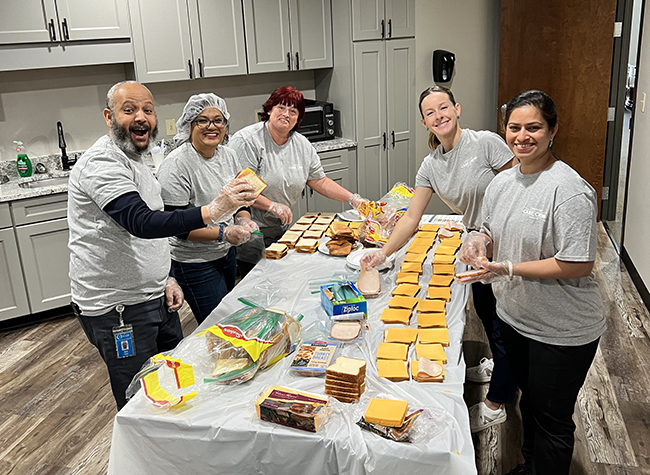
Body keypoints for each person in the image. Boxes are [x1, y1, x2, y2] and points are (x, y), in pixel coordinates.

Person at [67, 81, 256, 409]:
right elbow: (141, 222)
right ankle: (143, 457)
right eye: (129, 110)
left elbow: (154, 228)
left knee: (173, 381)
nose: (141, 118)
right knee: (140, 398)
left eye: (148, 110)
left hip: (155, 296)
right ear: (109, 117)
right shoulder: (101, 163)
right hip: (118, 308)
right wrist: (213, 213)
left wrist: (166, 277)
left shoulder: (139, 159)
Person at [457, 90, 605, 475]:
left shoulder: (568, 190)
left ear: (553, 130)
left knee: (552, 419)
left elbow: (577, 264)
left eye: (534, 127)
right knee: (528, 405)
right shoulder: (502, 183)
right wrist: (478, 240)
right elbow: (486, 227)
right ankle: (530, 466)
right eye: (514, 127)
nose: (522, 136)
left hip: (560, 330)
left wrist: (506, 268)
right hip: (516, 317)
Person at [361, 85, 517, 431]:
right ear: (423, 122)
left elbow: (518, 186)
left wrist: (494, 236)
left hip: (504, 242)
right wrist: (383, 252)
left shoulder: (485, 143)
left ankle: (497, 402)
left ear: (457, 108)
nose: (439, 116)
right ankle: (499, 366)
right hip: (474, 246)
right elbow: (412, 218)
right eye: (431, 113)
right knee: (487, 311)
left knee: (503, 321)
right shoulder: (431, 165)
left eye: (444, 108)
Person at [228, 86, 367, 275]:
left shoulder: (301, 144)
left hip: (283, 226)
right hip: (251, 227)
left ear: (299, 118)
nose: (286, 114)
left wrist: (353, 199)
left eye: (293, 111)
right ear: (269, 110)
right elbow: (241, 188)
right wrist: (271, 206)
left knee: (281, 275)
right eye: (281, 108)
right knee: (256, 278)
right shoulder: (248, 141)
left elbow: (320, 181)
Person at [157, 94, 259, 324]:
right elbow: (177, 227)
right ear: (189, 125)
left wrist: (243, 220)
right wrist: (225, 233)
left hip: (225, 254)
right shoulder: (176, 165)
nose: (211, 127)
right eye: (202, 120)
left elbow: (241, 199)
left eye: (218, 120)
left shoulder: (229, 155)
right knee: (219, 324)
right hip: (194, 262)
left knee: (229, 315)